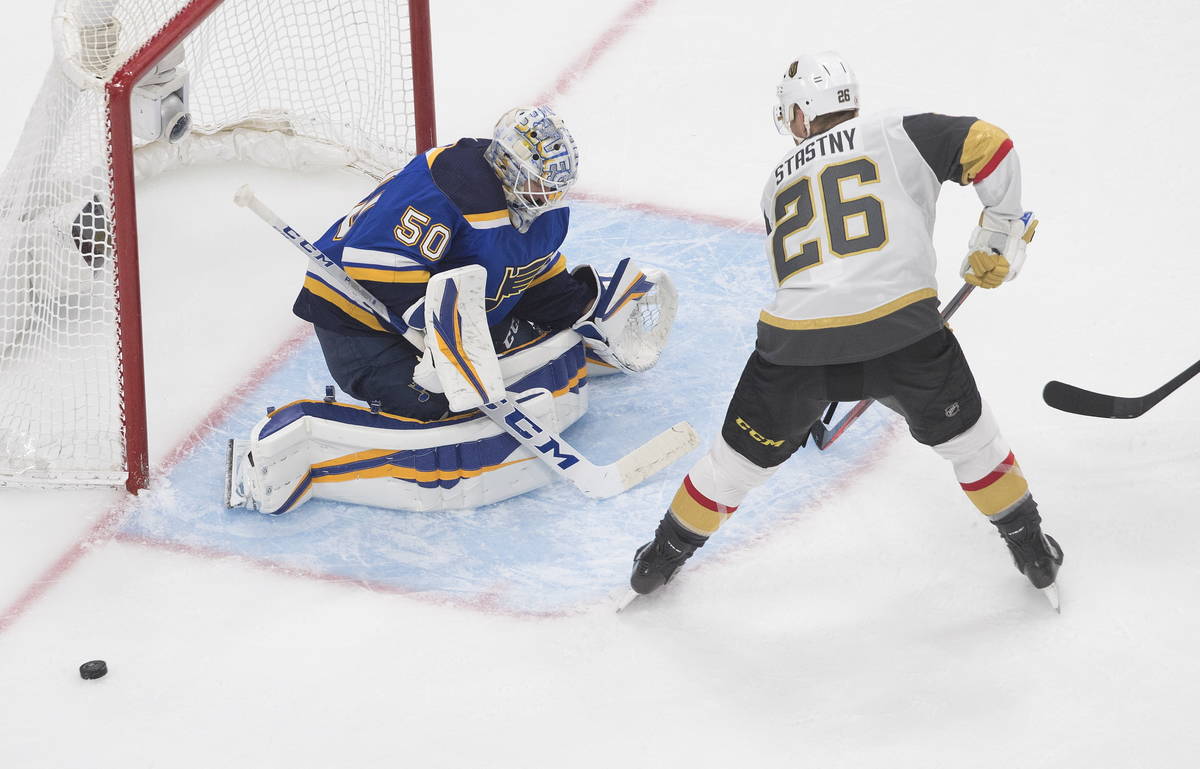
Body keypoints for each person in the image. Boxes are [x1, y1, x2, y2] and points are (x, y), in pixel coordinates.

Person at [628, 52, 1063, 602]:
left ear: (805, 114)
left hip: (793, 352)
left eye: (791, 116)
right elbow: (992, 146)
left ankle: (657, 562)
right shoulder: (897, 130)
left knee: (731, 467)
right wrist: (1001, 230)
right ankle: (1032, 551)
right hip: (904, 335)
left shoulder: (774, 185)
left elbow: (808, 278)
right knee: (975, 447)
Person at [291, 105, 596, 421]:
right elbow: (372, 266)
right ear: (509, 165)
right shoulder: (451, 189)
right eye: (539, 182)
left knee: (528, 359)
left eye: (555, 185)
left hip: (451, 306)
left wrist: (579, 307)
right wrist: (443, 341)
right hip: (358, 315)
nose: (549, 195)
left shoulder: (539, 207)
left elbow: (525, 273)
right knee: (439, 405)